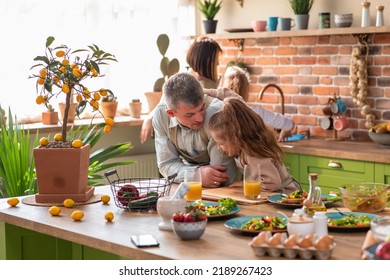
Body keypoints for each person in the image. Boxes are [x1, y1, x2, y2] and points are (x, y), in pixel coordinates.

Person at [152, 72, 237, 188]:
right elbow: (166, 164)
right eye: (190, 115)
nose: (200, 118)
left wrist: (186, 174)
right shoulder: (161, 116)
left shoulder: (218, 114)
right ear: (171, 113)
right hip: (192, 189)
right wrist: (196, 174)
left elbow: (221, 177)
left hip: (228, 191)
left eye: (202, 108)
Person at [208, 97, 301, 193]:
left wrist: (246, 184)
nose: (219, 148)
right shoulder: (243, 150)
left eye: (221, 143)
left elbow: (272, 184)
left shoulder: (253, 154)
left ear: (235, 138)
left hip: (286, 196)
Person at [139, 36, 222, 143]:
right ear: (205, 60)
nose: (218, 64)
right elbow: (163, 104)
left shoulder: (217, 83)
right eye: (216, 60)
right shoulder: (184, 83)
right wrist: (148, 118)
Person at [206, 65, 294, 142]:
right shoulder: (254, 110)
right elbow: (289, 123)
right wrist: (285, 130)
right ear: (246, 88)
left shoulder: (215, 110)